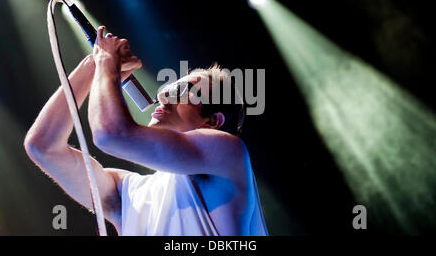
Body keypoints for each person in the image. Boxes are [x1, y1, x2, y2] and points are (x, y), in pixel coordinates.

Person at [24, 26, 268, 235]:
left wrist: (107, 63)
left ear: (213, 121)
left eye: (184, 91)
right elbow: (43, 146)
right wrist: (92, 63)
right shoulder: (128, 192)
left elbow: (109, 133)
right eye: (170, 87)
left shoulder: (227, 151)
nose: (163, 95)